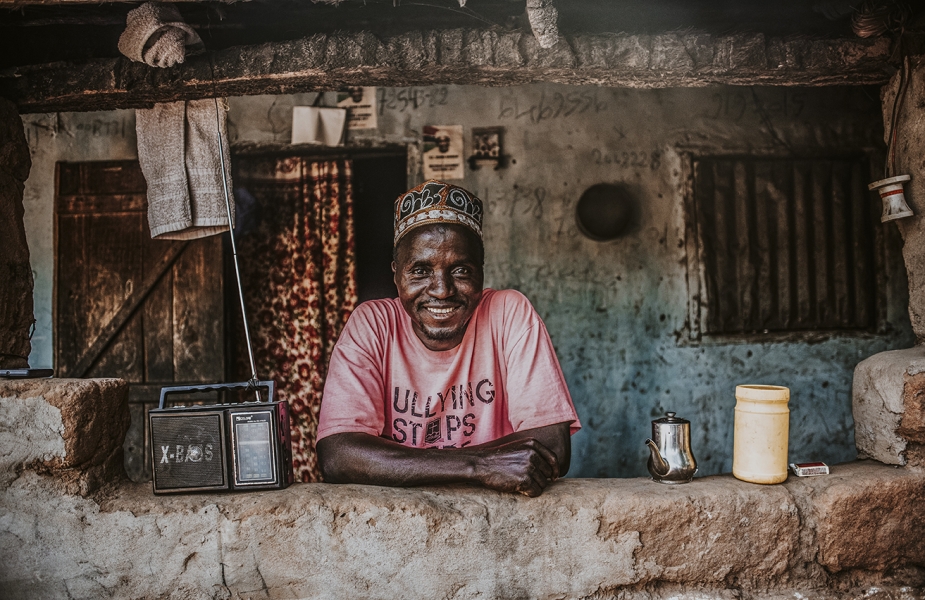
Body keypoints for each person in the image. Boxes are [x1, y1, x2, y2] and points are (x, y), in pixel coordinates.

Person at [316, 180, 580, 497]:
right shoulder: (373, 324)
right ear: (396, 273)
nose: (441, 290)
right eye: (420, 270)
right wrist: (478, 466)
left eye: (460, 270)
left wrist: (395, 464)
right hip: (395, 523)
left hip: (500, 524)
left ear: (481, 273)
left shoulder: (508, 312)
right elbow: (338, 456)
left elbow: (551, 447)